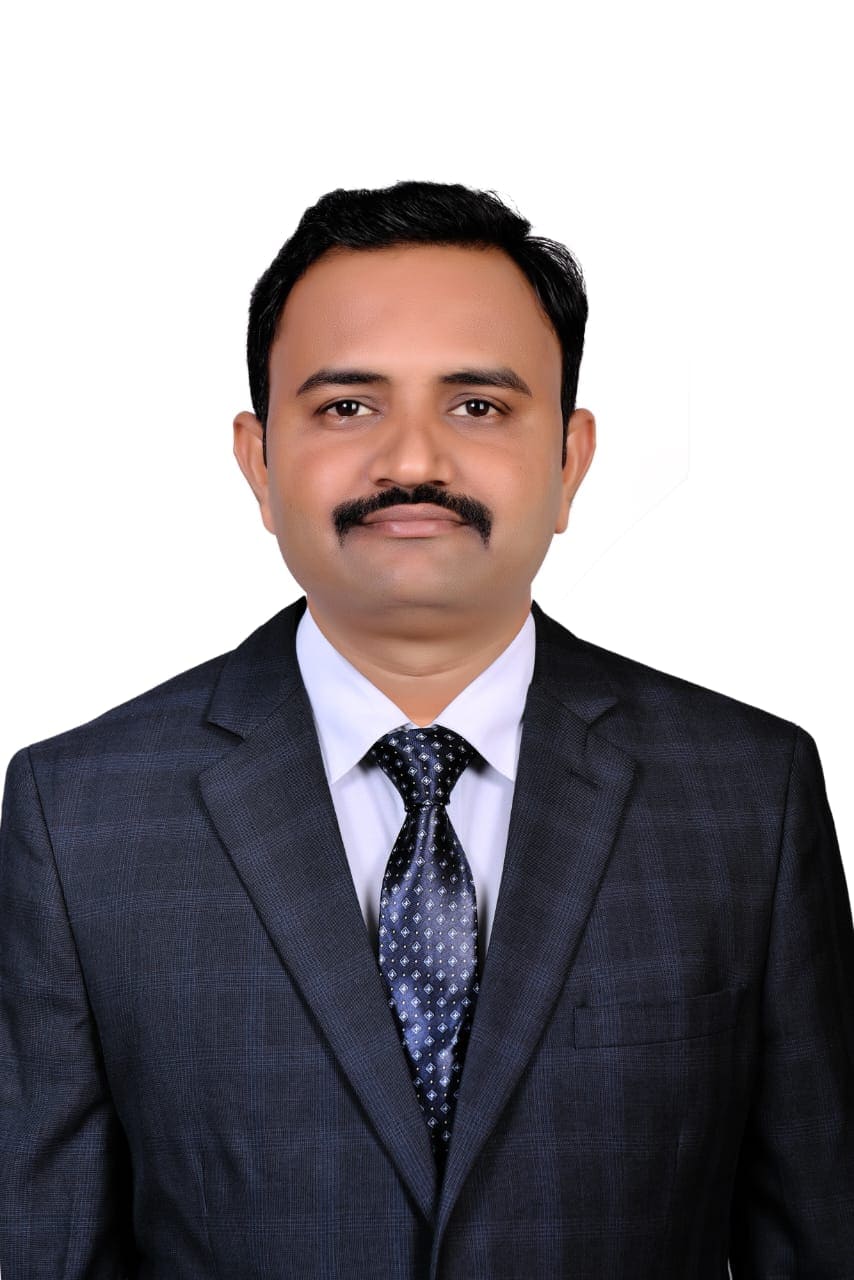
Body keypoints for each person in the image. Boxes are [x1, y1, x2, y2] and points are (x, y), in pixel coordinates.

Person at [1, 179, 852, 1279]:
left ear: (569, 461)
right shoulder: (80, 816)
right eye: (347, 407)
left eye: (478, 406)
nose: (411, 463)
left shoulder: (747, 794)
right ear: (259, 462)